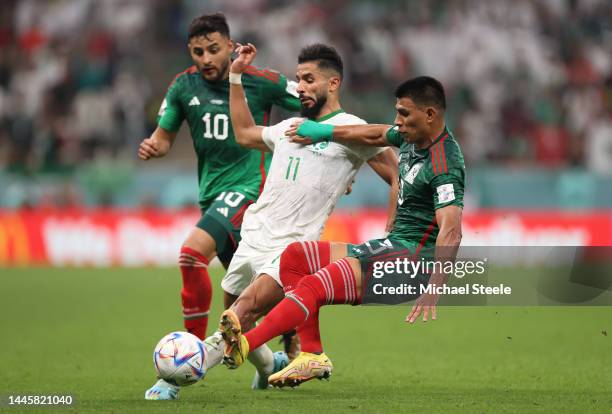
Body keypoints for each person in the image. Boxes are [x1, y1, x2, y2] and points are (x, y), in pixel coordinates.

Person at [157, 42, 399, 398]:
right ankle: (269, 365)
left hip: (292, 247)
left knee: (240, 314)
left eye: (309, 79)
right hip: (254, 235)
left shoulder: (350, 128)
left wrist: (391, 233)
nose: (299, 86)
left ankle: (176, 375)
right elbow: (243, 133)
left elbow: (398, 176)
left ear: (333, 84)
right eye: (298, 79)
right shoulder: (290, 126)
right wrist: (236, 77)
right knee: (238, 316)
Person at [220, 76, 465, 388]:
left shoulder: (445, 162)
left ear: (430, 114)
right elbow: (372, 132)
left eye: (404, 114)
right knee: (295, 257)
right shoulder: (411, 137)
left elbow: (452, 231)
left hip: (413, 263)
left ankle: (246, 344)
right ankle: (312, 353)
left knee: (313, 286)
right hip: (393, 247)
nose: (397, 121)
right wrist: (324, 131)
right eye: (397, 112)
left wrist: (435, 287)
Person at [139, 13, 300, 400]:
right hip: (214, 195)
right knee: (240, 304)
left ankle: (183, 364)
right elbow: (163, 137)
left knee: (191, 255)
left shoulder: (262, 82)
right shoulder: (183, 86)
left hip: (251, 189)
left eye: (214, 49)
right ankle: (270, 364)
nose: (207, 58)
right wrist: (154, 146)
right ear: (190, 52)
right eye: (199, 52)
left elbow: (315, 103)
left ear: (230, 46)